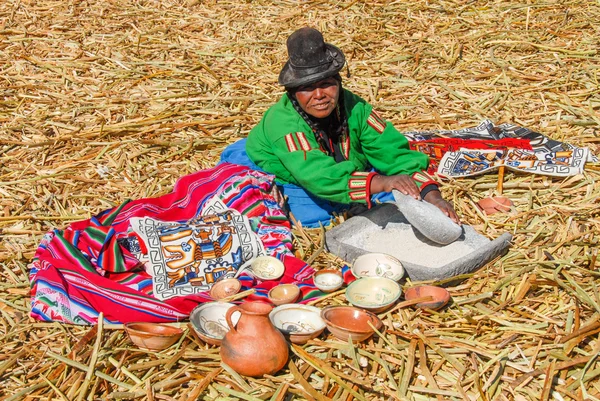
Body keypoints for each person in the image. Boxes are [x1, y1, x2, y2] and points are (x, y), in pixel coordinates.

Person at [223, 27, 459, 227]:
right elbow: (319, 177)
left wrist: (433, 197)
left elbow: (393, 152)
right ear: (293, 93)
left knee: (402, 193)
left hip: (331, 163)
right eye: (307, 88)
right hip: (293, 168)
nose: (319, 95)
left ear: (339, 84)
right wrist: (384, 182)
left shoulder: (355, 107)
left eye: (326, 84)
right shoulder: (284, 123)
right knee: (315, 218)